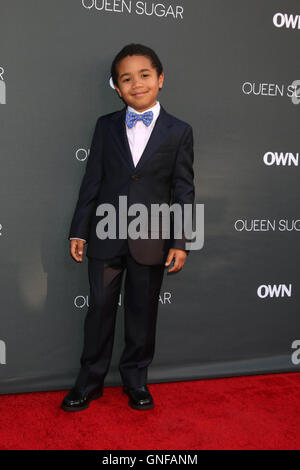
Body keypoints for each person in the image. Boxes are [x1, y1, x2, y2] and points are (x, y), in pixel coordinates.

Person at [61, 43, 195, 412]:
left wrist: (181, 241)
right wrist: (79, 231)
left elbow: (184, 189)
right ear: (116, 87)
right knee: (99, 311)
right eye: (126, 78)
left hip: (151, 239)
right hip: (105, 236)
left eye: (145, 75)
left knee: (142, 313)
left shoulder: (179, 131)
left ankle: (136, 381)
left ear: (160, 79)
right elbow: (92, 181)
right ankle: (89, 383)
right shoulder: (105, 126)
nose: (137, 84)